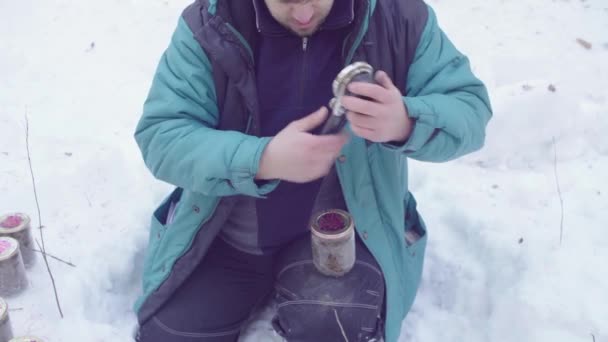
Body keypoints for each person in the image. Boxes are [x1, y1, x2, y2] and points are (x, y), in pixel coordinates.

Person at [132, 0, 492, 341]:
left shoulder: (397, 17)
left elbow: (469, 110)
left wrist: (405, 121)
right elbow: (162, 135)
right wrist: (263, 158)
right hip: (229, 233)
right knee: (169, 334)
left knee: (334, 322)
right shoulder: (209, 23)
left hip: (342, 232)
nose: (303, 13)